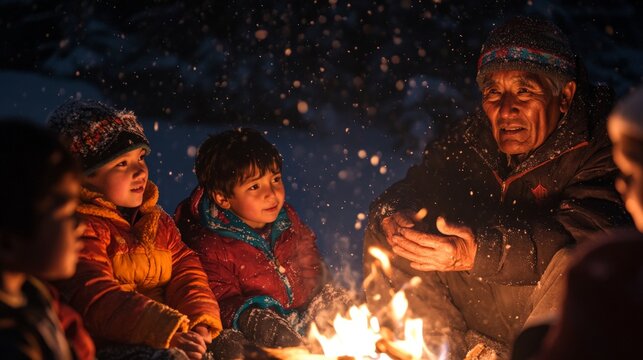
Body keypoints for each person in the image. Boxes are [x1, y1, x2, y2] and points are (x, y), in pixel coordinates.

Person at [363, 16, 631, 359]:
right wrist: (393, 215)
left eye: (524, 90)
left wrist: (478, 252)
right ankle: (434, 351)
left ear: (564, 96)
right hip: (479, 307)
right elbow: (416, 186)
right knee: (391, 233)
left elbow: (587, 237)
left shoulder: (604, 145)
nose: (506, 110)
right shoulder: (472, 140)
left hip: (550, 320)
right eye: (494, 92)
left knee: (577, 264)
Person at [47, 100, 222, 360]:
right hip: (111, 344)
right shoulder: (79, 228)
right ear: (84, 177)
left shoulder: (155, 222)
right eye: (122, 164)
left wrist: (200, 320)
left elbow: (186, 269)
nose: (140, 171)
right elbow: (97, 297)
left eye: (140, 158)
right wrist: (166, 329)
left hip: (173, 334)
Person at [174, 128, 350, 358]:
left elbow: (312, 266)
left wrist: (323, 298)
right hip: (253, 334)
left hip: (301, 320)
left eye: (275, 179)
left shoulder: (287, 221)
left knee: (344, 305)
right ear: (223, 198)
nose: (272, 193)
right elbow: (221, 301)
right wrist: (254, 318)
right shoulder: (211, 244)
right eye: (254, 186)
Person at [512, 86, 643, 360]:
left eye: (631, 173)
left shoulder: (611, 268)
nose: (621, 185)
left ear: (565, 95)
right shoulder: (616, 261)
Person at [0, 121, 94, 359]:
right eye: (66, 213)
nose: (80, 224)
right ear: (8, 242)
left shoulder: (33, 294)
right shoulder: (9, 343)